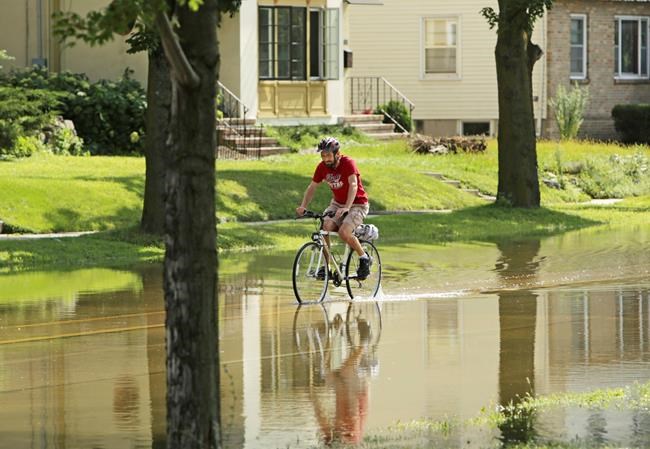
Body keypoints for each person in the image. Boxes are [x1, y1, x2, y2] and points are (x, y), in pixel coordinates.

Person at [296, 137, 372, 280]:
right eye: (323, 155)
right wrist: (303, 206)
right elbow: (312, 187)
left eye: (328, 155)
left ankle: (364, 257)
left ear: (337, 154)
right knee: (325, 227)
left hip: (357, 204)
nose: (326, 159)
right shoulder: (322, 167)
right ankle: (327, 267)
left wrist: (347, 207)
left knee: (344, 232)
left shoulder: (348, 163)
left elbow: (353, 185)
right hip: (337, 204)